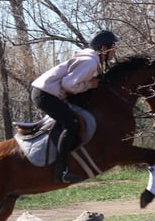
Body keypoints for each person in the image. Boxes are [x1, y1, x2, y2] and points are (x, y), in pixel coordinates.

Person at [30, 30, 119, 183]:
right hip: (45, 94)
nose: (114, 51)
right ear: (104, 48)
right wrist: (90, 84)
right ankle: (61, 171)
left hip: (45, 92)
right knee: (71, 125)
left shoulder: (90, 59)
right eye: (113, 47)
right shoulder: (90, 61)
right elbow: (69, 85)